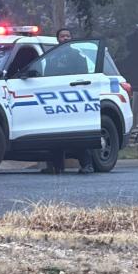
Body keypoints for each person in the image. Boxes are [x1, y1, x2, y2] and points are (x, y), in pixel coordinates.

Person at [41, 28, 94, 174]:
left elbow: (83, 79)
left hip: (74, 99)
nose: (65, 38)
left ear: (71, 38)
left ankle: (87, 165)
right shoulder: (51, 57)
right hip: (56, 98)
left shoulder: (77, 56)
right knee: (54, 133)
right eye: (62, 36)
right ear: (57, 39)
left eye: (67, 36)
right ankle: (56, 166)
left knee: (77, 133)